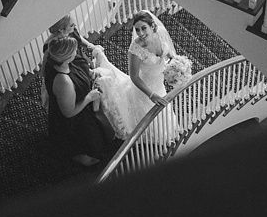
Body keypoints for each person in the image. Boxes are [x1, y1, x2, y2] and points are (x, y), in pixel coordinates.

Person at [92, 10, 178, 142]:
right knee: (149, 117)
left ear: (153, 26)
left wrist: (176, 65)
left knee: (163, 113)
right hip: (145, 89)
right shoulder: (135, 49)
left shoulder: (160, 34)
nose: (141, 33)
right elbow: (134, 77)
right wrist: (151, 94)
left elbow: (169, 54)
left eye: (144, 28)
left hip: (159, 84)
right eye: (137, 30)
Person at [44, 36, 114, 167]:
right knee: (91, 144)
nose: (76, 52)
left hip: (82, 109)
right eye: (74, 50)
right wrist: (89, 97)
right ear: (67, 56)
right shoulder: (63, 82)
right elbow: (68, 113)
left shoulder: (61, 63)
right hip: (75, 120)